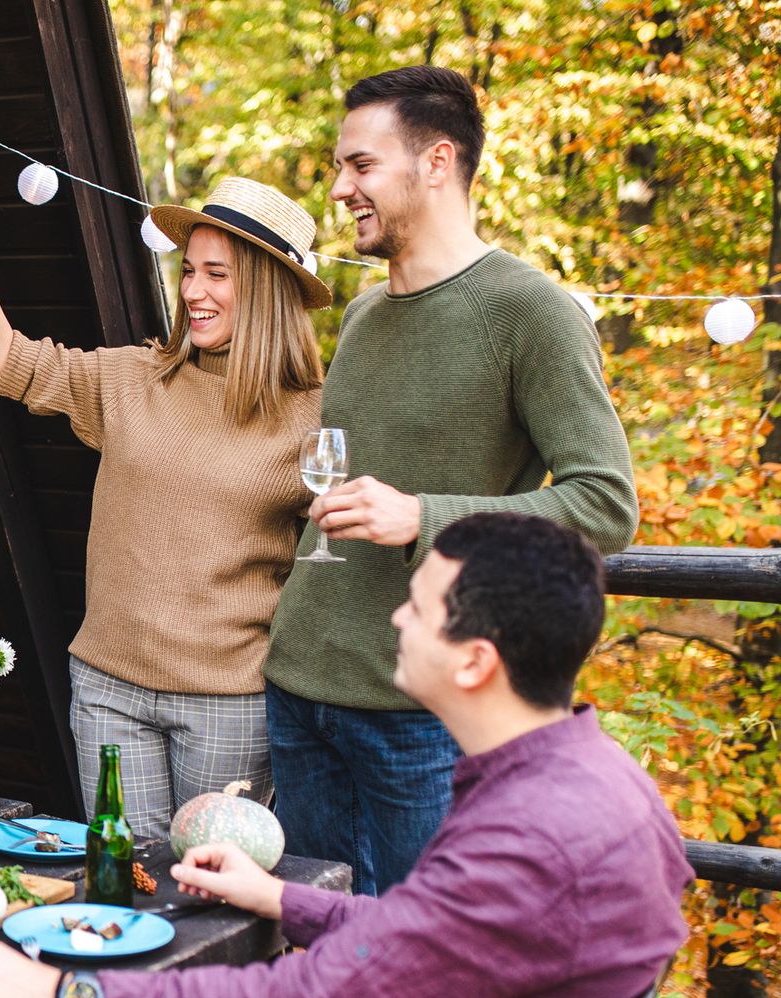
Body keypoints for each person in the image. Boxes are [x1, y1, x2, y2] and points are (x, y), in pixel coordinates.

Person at [0, 513, 689, 998]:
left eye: (418, 607)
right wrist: (279, 899)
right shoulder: (600, 780)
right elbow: (436, 938)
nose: (395, 616)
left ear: (475, 662)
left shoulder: (528, 837)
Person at [261, 65, 639, 894]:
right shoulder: (361, 317)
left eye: (360, 165)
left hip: (420, 719)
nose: (340, 189)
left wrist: (424, 517)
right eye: (339, 167)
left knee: (418, 976)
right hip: (298, 691)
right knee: (313, 961)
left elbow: (606, 506)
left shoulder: (530, 311)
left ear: (437, 162)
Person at [0, 170, 326, 836]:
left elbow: (349, 556)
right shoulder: (135, 378)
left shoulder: (315, 418)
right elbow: (5, 359)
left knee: (211, 891)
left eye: (216, 275)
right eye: (189, 271)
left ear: (268, 289)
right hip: (110, 689)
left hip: (230, 703)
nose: (192, 291)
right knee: (126, 879)